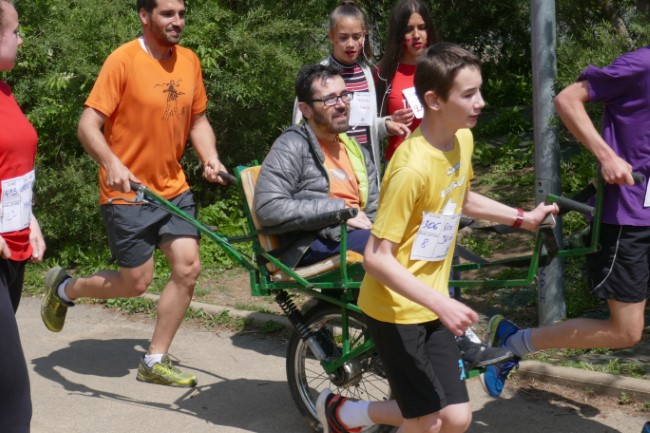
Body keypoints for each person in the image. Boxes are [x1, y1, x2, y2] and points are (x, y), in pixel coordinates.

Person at [316, 43, 558, 433]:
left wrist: (522, 218)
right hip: (395, 309)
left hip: (432, 303)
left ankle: (346, 414)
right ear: (434, 100)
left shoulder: (462, 138)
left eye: (479, 90)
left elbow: (458, 195)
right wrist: (441, 304)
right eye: (468, 94)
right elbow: (377, 257)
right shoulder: (410, 167)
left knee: (459, 418)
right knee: (426, 421)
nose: (480, 102)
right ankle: (346, 413)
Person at [40, 0, 228, 388]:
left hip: (172, 188)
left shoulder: (189, 61)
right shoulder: (122, 61)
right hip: (127, 193)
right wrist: (111, 163)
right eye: (167, 14)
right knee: (136, 283)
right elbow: (88, 126)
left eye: (181, 14)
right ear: (145, 16)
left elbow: (198, 119)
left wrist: (210, 158)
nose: (177, 21)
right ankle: (64, 287)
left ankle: (154, 359)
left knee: (188, 268)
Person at [482, 45, 650, 398]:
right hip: (630, 217)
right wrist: (608, 156)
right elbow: (567, 99)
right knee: (626, 331)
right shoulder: (641, 64)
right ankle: (514, 342)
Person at [292, 0, 410, 187]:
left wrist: (387, 124)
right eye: (343, 37)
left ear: (364, 35)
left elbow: (364, 125)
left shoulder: (366, 74)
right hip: (331, 168)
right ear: (331, 36)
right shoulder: (316, 76)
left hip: (366, 169)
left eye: (356, 37)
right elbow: (299, 128)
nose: (351, 44)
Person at [0, 1, 47, 431]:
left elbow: (10, 168)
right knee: (13, 404)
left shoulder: (5, 91)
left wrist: (28, 220)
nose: (20, 38)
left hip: (13, 253)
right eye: (15, 30)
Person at [376, 0, 439, 161]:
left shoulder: (442, 69)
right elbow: (367, 125)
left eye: (422, 27)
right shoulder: (382, 74)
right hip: (402, 165)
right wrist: (388, 122)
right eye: (408, 29)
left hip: (438, 161)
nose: (416, 35)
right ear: (399, 34)